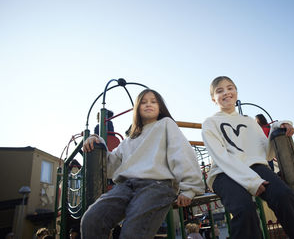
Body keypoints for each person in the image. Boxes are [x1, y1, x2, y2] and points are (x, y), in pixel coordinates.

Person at [201, 76, 294, 239]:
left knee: (285, 195)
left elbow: (266, 153)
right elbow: (221, 157)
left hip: (255, 168)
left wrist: (277, 126)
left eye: (230, 88)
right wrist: (251, 182)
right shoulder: (210, 123)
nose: (226, 93)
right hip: (224, 172)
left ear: (236, 92)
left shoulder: (248, 121)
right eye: (220, 91)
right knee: (244, 209)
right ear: (213, 98)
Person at [81, 89, 204, 239]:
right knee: (92, 219)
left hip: (157, 185)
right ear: (137, 108)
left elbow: (181, 152)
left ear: (160, 107)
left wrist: (189, 188)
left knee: (133, 232)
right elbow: (110, 165)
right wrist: (97, 140)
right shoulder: (130, 139)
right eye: (143, 102)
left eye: (153, 101)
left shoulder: (165, 125)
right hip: (126, 186)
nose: (148, 105)